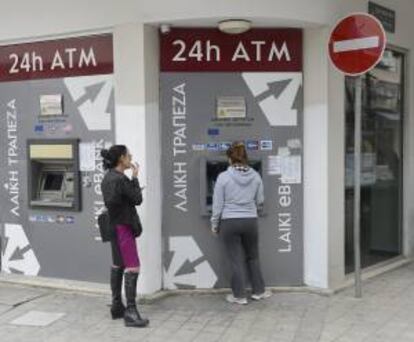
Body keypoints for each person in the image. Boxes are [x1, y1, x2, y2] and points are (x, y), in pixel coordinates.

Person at [210, 142, 272, 305]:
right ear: (245, 158)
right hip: (250, 221)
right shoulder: (256, 176)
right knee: (253, 257)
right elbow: (260, 200)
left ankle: (239, 296)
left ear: (230, 159)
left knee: (235, 259)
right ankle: (259, 291)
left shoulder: (223, 177)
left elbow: (217, 205)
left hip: (230, 222)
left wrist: (215, 224)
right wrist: (253, 208)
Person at [100, 145, 149, 328]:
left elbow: (114, 201)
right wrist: (135, 178)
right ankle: (131, 312)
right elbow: (137, 199)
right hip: (123, 228)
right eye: (129, 155)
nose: (131, 158)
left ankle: (116, 306)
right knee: (133, 267)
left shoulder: (107, 178)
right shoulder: (121, 179)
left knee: (118, 264)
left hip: (112, 226)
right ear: (121, 158)